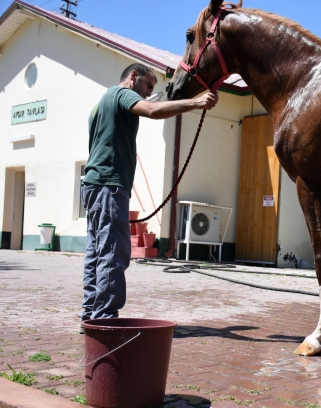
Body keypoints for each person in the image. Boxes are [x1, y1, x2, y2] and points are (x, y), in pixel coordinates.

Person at [80, 63, 218, 330]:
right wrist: (196, 102)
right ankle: (105, 320)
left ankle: (90, 316)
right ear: (133, 77)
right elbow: (152, 110)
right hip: (109, 186)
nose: (146, 95)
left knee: (96, 252)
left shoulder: (100, 104)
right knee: (113, 252)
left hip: (94, 184)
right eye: (147, 87)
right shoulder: (121, 95)